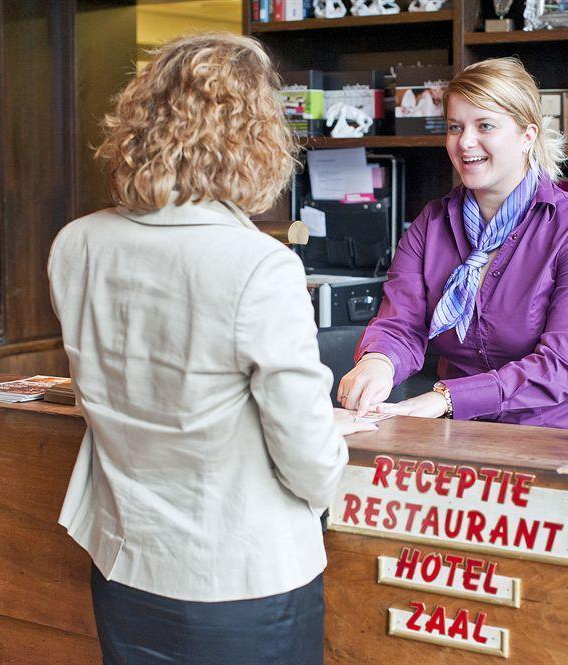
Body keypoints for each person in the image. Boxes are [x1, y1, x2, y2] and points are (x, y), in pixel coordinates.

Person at [48, 33, 372, 665]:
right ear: (253, 137)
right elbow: (308, 460)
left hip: (124, 566)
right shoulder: (259, 266)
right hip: (244, 581)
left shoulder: (76, 244)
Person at [339, 57, 568, 428]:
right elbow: (401, 325)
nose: (465, 142)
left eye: (484, 125)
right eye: (455, 127)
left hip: (553, 435)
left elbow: (560, 367)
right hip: (456, 430)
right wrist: (378, 362)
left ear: (527, 136)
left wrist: (447, 399)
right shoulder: (431, 224)